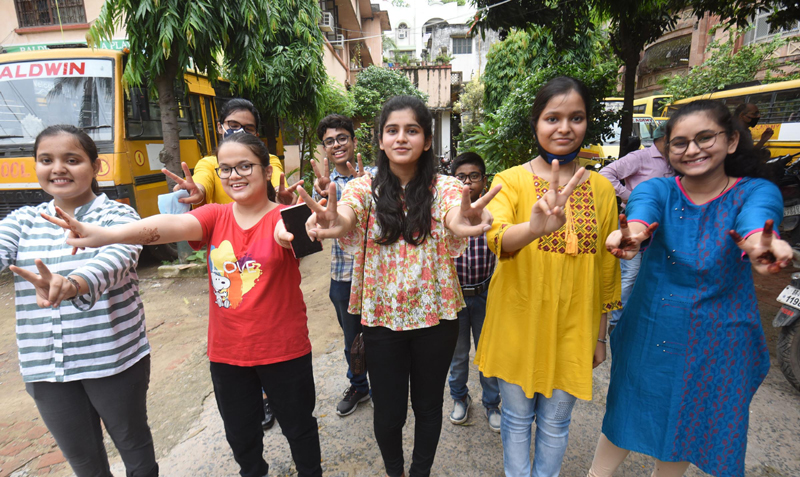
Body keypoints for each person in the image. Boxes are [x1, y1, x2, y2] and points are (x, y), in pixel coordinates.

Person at [47, 133, 323, 477]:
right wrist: (107, 235)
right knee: (241, 436)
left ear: (267, 172)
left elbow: (292, 236)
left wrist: (292, 232)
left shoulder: (287, 217)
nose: (234, 175)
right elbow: (171, 225)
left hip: (284, 350)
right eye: (226, 169)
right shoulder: (215, 215)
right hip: (227, 354)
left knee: (299, 427)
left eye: (245, 166)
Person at [588, 99, 791, 477]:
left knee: (688, 418)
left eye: (705, 138)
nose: (692, 149)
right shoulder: (659, 190)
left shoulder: (756, 191)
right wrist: (632, 234)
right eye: (679, 142)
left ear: (731, 140)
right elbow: (641, 215)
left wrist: (760, 245)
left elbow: (757, 223)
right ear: (667, 149)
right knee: (628, 409)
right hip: (652, 329)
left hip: (721, 336)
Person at [300, 95, 500, 477]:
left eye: (412, 130)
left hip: (437, 320)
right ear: (380, 139)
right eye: (392, 130)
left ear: (427, 140)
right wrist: (335, 221)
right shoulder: (364, 186)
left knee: (428, 408)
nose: (401, 137)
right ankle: (396, 472)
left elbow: (455, 214)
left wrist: (464, 220)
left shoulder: (445, 186)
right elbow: (347, 214)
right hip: (381, 322)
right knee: (389, 415)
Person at [474, 76, 621, 477]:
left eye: (576, 117)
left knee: (556, 424)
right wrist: (534, 229)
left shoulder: (602, 189)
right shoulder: (510, 181)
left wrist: (600, 336)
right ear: (536, 123)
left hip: (574, 327)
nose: (564, 128)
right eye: (552, 118)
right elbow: (497, 238)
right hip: (517, 324)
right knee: (517, 419)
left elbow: (606, 269)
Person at [1, 125, 158, 477]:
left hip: (114, 360)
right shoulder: (22, 221)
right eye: (46, 160)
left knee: (135, 451)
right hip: (46, 367)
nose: (58, 168)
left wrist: (73, 284)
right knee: (85, 464)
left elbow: (116, 259)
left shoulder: (118, 217)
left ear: (96, 166)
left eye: (71, 160)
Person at [162, 97, 297, 430]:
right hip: (225, 255)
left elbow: (277, 184)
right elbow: (203, 181)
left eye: (248, 128)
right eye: (233, 126)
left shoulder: (268, 161)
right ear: (220, 126)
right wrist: (197, 191)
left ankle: (270, 394)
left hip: (267, 246)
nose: (239, 132)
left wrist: (286, 205)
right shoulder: (210, 164)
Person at [310, 114, 374, 416]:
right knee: (352, 340)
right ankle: (359, 386)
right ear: (325, 148)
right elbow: (317, 226)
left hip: (378, 273)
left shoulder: (375, 175)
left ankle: (386, 385)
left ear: (354, 141)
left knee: (383, 337)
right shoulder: (323, 185)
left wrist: (370, 188)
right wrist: (322, 198)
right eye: (329, 141)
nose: (336, 145)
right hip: (342, 275)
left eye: (342, 138)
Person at [599, 123, 674, 332]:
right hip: (634, 224)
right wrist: (630, 196)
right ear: (665, 138)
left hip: (662, 226)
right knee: (630, 274)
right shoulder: (641, 157)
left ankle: (641, 319)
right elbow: (606, 173)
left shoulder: (676, 161)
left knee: (652, 272)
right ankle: (617, 322)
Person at [446, 152, 502, 431]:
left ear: (484, 180)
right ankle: (460, 398)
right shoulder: (444, 213)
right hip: (455, 297)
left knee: (488, 353)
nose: (467, 183)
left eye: (474, 176)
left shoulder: (494, 213)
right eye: (461, 177)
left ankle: (492, 403)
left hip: (485, 294)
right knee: (457, 356)